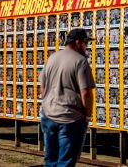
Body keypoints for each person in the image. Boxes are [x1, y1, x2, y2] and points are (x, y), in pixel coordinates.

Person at [39, 28, 95, 166]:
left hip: (48, 115)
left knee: (50, 160)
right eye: (85, 43)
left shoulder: (52, 58)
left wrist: (47, 104)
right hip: (70, 118)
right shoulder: (80, 61)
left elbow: (42, 86)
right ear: (78, 42)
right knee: (66, 162)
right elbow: (86, 92)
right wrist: (88, 115)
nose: (86, 47)